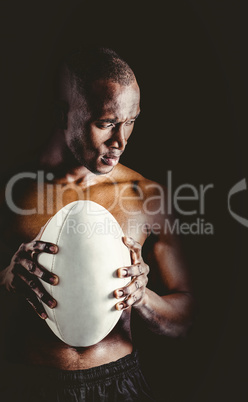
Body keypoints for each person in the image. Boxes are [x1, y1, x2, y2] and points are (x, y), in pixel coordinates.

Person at [0, 47, 194, 401]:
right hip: (30, 384)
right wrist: (7, 280)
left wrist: (142, 298)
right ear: (63, 115)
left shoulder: (146, 195)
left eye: (131, 121)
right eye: (106, 123)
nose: (120, 141)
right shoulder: (11, 191)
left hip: (119, 385)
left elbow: (187, 320)